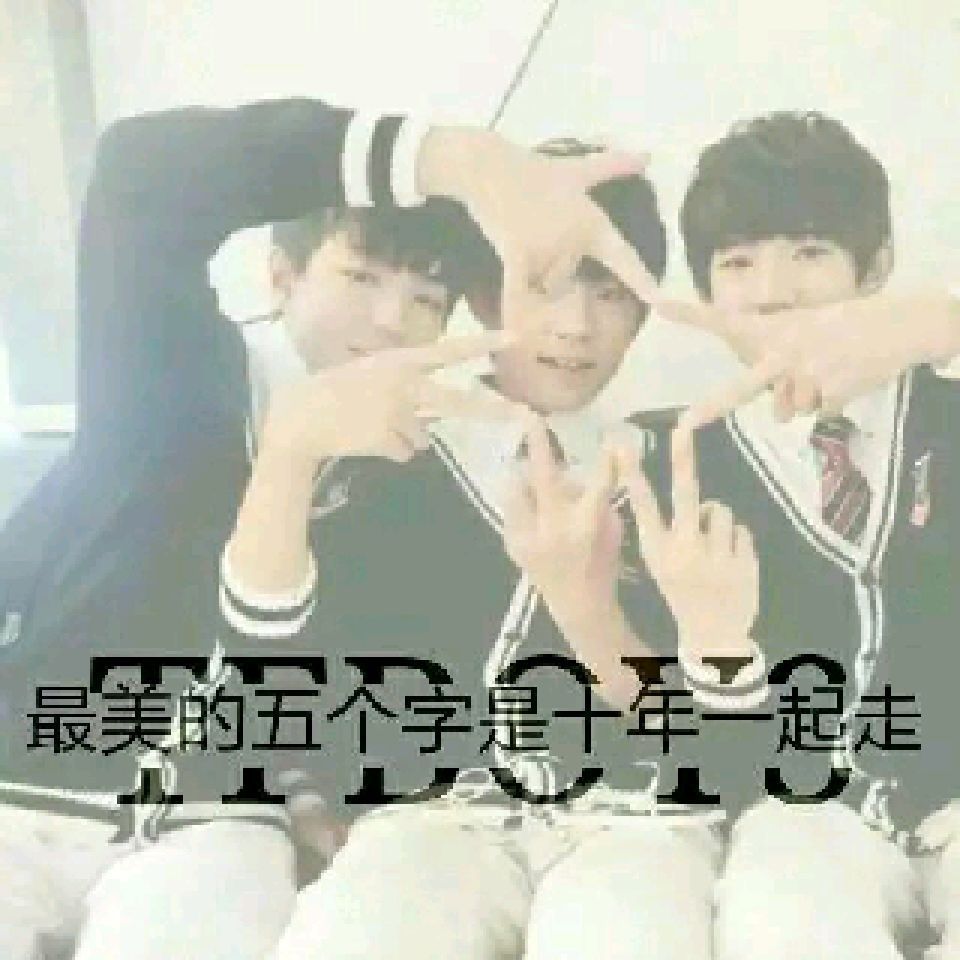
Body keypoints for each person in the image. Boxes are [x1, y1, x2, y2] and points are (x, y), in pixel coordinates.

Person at [0, 98, 659, 960]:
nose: (391, 321)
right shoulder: (173, 369)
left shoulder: (413, 452)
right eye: (361, 278)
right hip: (26, 785)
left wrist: (308, 782)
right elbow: (140, 172)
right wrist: (450, 159)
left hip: (221, 828)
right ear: (282, 277)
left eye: (426, 299)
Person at [224, 139, 761, 960]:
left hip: (631, 826)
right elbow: (277, 662)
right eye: (543, 286)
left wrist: (589, 612)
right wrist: (301, 790)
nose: (576, 327)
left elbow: (705, 742)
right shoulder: (377, 456)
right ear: (479, 292)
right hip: (426, 824)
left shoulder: (683, 471)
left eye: (611, 294)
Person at [658, 110, 960, 959]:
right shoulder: (677, 462)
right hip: (804, 820)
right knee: (781, 910)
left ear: (878, 268)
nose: (772, 290)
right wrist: (715, 648)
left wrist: (947, 321)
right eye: (737, 263)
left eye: (809, 251)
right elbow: (715, 767)